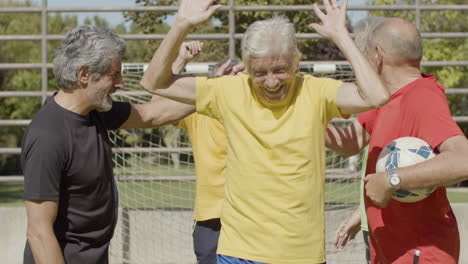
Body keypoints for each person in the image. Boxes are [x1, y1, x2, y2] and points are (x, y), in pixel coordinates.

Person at [140, 0, 391, 262]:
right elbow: (153, 82)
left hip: (301, 255)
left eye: (280, 70)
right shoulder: (228, 90)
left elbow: (376, 95)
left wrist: (342, 36)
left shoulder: (316, 91)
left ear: (296, 63)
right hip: (239, 253)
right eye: (260, 72)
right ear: (247, 68)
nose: (271, 82)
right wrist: (181, 25)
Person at [21, 25, 194, 264]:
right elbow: (39, 233)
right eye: (114, 74)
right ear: (83, 74)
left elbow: (155, 114)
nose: (120, 83)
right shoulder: (48, 136)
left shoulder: (97, 112)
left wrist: (220, 92)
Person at [324, 17, 468, 263]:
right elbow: (350, 142)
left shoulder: (423, 96)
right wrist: (301, 112)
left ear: (377, 55)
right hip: (392, 250)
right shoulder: (386, 97)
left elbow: (463, 159)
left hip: (421, 254)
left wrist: (392, 179)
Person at [331, 17, 386, 264]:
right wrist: (360, 213)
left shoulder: (390, 97)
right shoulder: (379, 101)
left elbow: (347, 144)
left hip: (397, 227)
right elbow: (350, 143)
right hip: (373, 220)